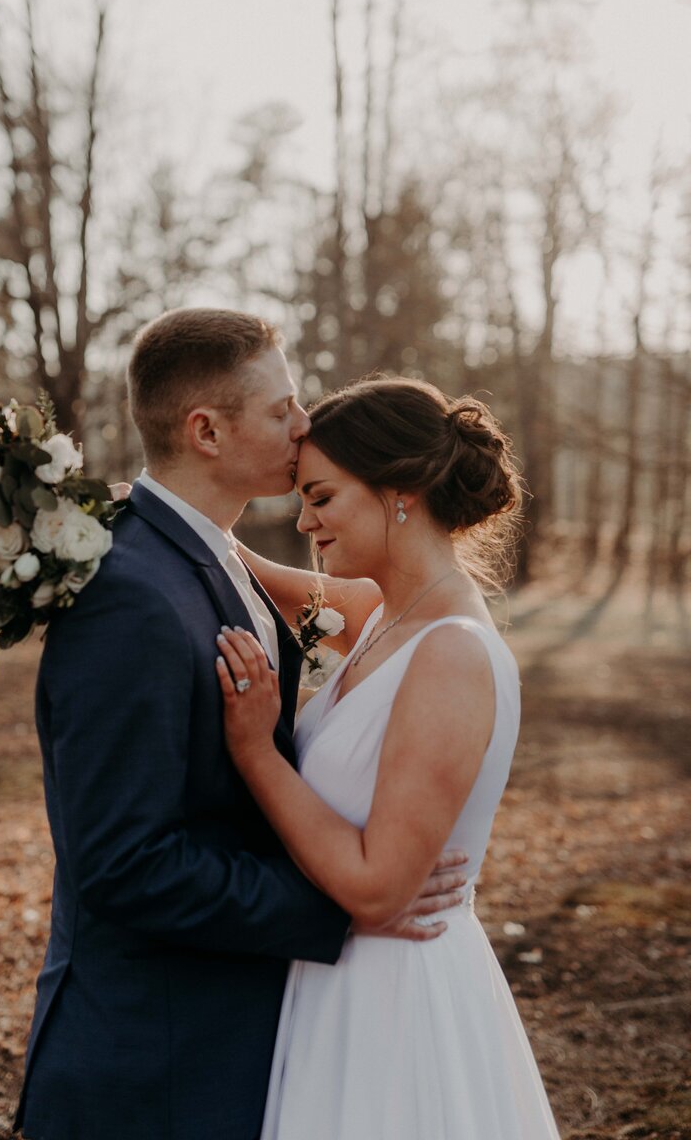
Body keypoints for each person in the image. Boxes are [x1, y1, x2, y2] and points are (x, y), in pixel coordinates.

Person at [14, 309, 467, 1140]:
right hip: (151, 1070)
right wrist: (342, 904)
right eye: (281, 409)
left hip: (230, 1045)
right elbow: (123, 864)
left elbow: (391, 611)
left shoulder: (205, 557)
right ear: (206, 431)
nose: (304, 425)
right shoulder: (130, 597)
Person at [215, 376, 562, 1139]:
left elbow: (377, 889)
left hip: (397, 1000)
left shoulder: (453, 656)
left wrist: (256, 750)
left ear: (400, 490)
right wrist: (171, 515)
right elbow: (262, 578)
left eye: (322, 497)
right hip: (334, 981)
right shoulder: (384, 615)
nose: (305, 520)